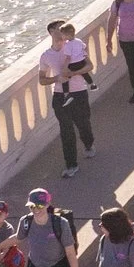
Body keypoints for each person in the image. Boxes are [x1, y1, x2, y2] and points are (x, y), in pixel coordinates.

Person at [38, 18, 98, 177]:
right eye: (59, 28)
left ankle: (88, 144)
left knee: (83, 123)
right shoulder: (46, 56)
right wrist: (56, 79)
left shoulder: (74, 46)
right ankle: (71, 165)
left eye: (64, 28)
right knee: (66, 130)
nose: (63, 31)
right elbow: (41, 79)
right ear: (51, 32)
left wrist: (73, 73)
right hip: (59, 96)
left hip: (79, 93)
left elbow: (90, 66)